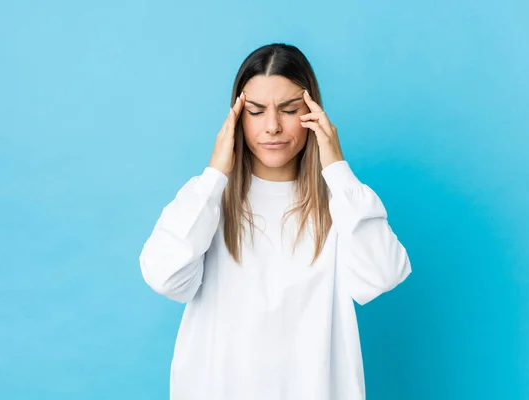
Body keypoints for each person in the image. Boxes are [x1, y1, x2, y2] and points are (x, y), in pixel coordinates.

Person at [139, 43, 412, 400]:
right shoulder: (208, 201)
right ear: (236, 118)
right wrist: (213, 176)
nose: (272, 126)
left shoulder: (341, 203)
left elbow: (383, 276)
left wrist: (338, 170)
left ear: (313, 112)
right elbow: (165, 277)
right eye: (255, 111)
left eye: (289, 110)